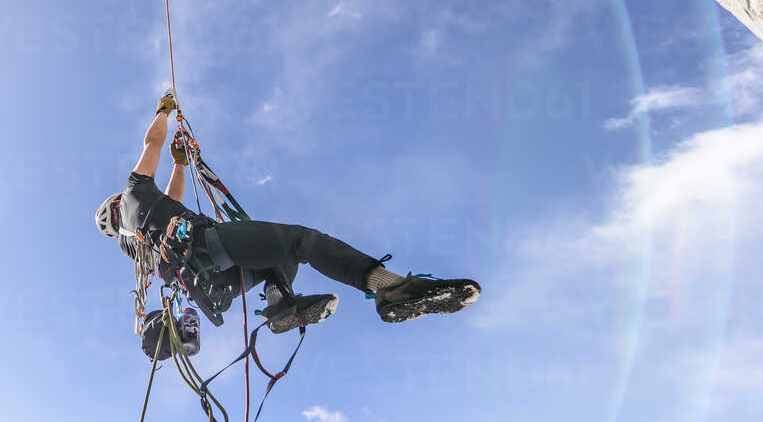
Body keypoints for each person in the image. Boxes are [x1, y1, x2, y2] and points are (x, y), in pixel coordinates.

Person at [95, 90, 480, 333]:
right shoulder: (133, 193)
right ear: (115, 205)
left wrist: (181, 162)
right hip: (207, 246)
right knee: (300, 241)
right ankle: (391, 288)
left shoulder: (141, 240)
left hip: (215, 281)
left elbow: (173, 196)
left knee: (277, 257)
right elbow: (151, 145)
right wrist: (163, 111)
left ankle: (281, 303)